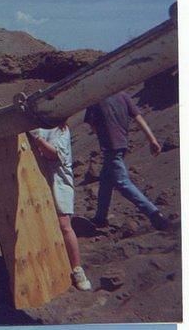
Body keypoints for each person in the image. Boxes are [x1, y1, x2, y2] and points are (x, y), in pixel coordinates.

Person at [83, 91, 169, 230]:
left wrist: (103, 135)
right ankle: (100, 218)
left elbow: (92, 124)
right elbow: (138, 117)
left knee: (123, 183)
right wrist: (152, 140)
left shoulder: (95, 98)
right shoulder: (123, 95)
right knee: (106, 180)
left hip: (110, 146)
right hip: (122, 143)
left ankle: (154, 213)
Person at [28, 124, 92, 291]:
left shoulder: (61, 128)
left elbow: (53, 155)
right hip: (38, 177)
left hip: (59, 180)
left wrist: (38, 138)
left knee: (64, 225)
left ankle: (77, 270)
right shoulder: (34, 125)